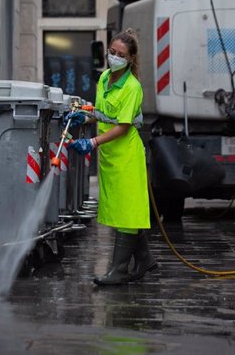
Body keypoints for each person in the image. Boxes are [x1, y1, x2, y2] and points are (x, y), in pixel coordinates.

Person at [67, 28, 157, 285]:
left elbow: (124, 126)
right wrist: (84, 115)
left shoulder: (132, 87)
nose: (114, 57)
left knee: (128, 212)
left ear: (130, 59)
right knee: (123, 210)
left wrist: (92, 141)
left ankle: (118, 270)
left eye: (120, 54)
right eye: (112, 52)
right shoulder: (106, 77)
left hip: (127, 156)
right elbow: (104, 112)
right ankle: (145, 259)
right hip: (110, 157)